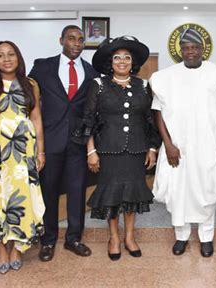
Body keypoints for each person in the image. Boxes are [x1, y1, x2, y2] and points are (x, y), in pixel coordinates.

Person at [149, 28, 216, 258]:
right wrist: (168, 144)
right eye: (186, 48)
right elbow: (158, 113)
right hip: (177, 147)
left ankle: (206, 238)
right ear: (180, 50)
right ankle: (181, 236)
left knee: (206, 191)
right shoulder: (166, 77)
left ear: (202, 49)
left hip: (209, 145)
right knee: (180, 192)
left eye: (195, 47)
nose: (191, 51)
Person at [72, 36, 160, 260]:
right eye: (117, 57)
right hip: (108, 151)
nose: (122, 61)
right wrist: (91, 151)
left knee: (132, 196)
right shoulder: (98, 85)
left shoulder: (143, 85)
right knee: (112, 197)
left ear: (133, 63)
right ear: (110, 62)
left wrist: (152, 148)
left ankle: (130, 237)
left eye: (127, 58)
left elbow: (150, 119)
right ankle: (113, 238)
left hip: (137, 151)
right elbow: (88, 119)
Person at [0, 41, 46, 274]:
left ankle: (18, 247)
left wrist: (40, 150)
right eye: (0, 55)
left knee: (22, 198)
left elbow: (36, 119)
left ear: (18, 57)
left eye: (11, 54)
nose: (6, 59)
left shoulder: (30, 84)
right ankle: (1, 248)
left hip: (23, 150)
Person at [29, 25, 99, 262]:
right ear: (61, 40)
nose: (77, 43)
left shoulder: (91, 72)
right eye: (72, 39)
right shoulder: (42, 67)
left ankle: (74, 239)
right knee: (48, 192)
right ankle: (47, 241)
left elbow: (90, 110)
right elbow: (29, 100)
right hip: (48, 142)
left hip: (77, 143)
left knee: (77, 192)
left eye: (80, 40)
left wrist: (91, 147)